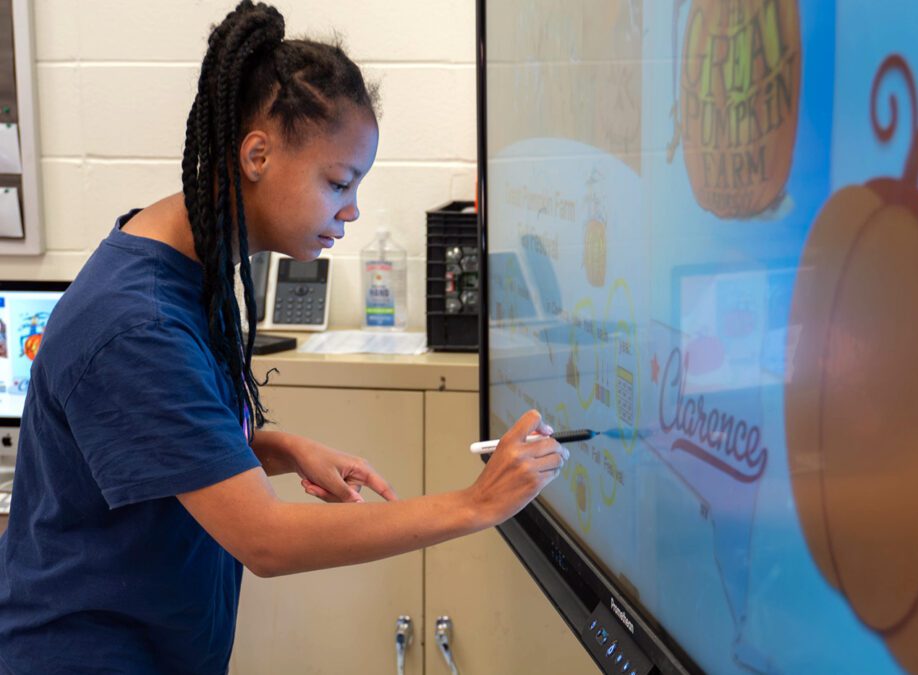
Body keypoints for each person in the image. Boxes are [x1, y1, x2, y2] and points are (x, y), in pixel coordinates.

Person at [0, 3, 567, 673]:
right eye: (338, 182)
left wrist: (272, 446)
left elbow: (158, 444)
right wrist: (475, 504)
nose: (352, 209)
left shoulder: (182, 254)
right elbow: (266, 540)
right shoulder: (138, 323)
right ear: (258, 154)